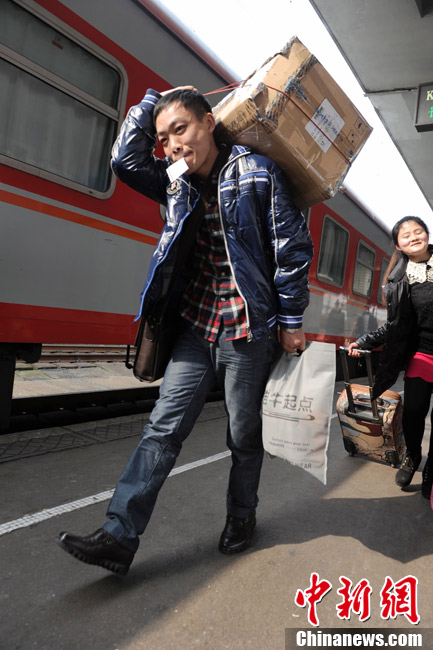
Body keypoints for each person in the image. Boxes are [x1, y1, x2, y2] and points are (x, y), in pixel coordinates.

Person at [56, 86, 313, 575]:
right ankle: (118, 535)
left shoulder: (256, 172)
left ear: (209, 123)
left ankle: (241, 514)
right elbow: (125, 161)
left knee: (243, 435)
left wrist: (292, 320)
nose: (172, 145)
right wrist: (150, 103)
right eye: (164, 137)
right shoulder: (175, 181)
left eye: (181, 129)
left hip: (246, 330)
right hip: (197, 325)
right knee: (162, 429)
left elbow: (290, 247)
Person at [348, 216, 433, 498]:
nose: (413, 237)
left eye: (417, 231)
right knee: (414, 412)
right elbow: (395, 325)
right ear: (399, 244)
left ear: (427, 234)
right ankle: (413, 456)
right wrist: (365, 341)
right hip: (422, 353)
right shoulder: (399, 279)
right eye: (405, 235)